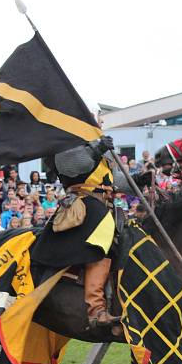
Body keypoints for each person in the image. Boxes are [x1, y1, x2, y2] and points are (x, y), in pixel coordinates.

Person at [30, 136, 122, 326]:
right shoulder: (67, 145)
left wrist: (138, 180)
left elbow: (112, 180)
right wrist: (97, 149)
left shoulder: (96, 149)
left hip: (105, 206)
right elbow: (71, 167)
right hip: (85, 206)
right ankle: (96, 309)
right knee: (100, 242)